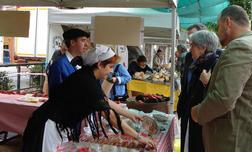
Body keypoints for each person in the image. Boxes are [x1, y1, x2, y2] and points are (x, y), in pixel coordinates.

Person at [22, 45, 155, 152]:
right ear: (99, 64)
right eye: (110, 67)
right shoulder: (87, 82)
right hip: (48, 125)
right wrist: (138, 137)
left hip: (57, 124)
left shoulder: (88, 76)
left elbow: (105, 101)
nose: (111, 71)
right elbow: (111, 116)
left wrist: (130, 115)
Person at [191, 5, 252, 152]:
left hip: (236, 142)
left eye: (218, 26)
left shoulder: (241, 46)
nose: (217, 31)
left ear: (228, 22)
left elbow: (223, 98)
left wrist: (197, 112)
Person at [177, 30, 220, 152]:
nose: (190, 49)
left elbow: (220, 96)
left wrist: (208, 83)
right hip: (189, 115)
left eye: (192, 46)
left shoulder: (215, 64)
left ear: (203, 47)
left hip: (201, 121)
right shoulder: (195, 63)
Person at [48, 28, 89, 95]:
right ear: (72, 42)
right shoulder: (59, 65)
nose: (86, 45)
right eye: (83, 40)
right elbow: (55, 94)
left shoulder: (80, 62)